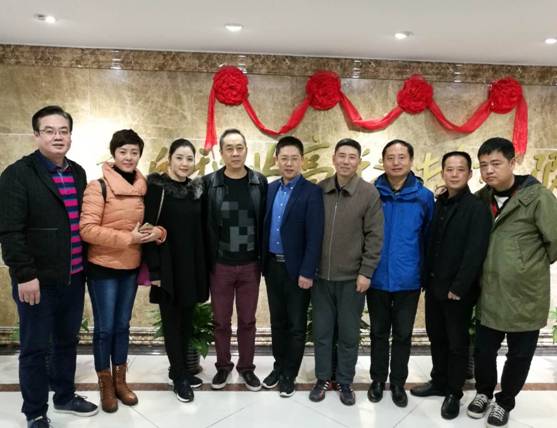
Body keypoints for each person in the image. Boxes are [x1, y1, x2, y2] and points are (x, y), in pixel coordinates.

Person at [0, 105, 98, 427]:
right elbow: (10, 230)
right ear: (36, 135)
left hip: (73, 277)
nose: (58, 137)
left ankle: (64, 396)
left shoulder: (77, 172)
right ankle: (35, 411)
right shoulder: (18, 174)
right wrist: (25, 275)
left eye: (63, 131)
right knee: (35, 348)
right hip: (37, 282)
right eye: (49, 131)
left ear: (70, 136)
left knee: (67, 342)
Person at [466, 137, 557, 428]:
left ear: (512, 162)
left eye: (496, 163)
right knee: (483, 351)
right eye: (483, 165)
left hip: (525, 293)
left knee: (519, 354)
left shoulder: (538, 197)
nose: (489, 171)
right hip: (490, 292)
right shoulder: (481, 199)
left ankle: (504, 401)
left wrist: (524, 266)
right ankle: (483, 392)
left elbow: (554, 242)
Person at [80, 129, 164, 413]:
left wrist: (157, 232)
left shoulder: (144, 188)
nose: (128, 157)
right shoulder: (98, 187)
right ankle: (105, 384)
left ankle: (120, 381)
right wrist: (128, 238)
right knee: (105, 328)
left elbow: (152, 221)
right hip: (102, 267)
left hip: (130, 266)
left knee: (122, 326)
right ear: (113, 154)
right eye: (123, 152)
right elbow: (87, 229)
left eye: (134, 152)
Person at [410, 151, 492, 420]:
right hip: (434, 286)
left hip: (457, 291)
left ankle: (454, 392)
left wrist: (459, 287)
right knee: (436, 336)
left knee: (457, 343)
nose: (454, 174)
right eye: (449, 169)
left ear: (470, 174)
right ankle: (439, 381)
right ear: (443, 172)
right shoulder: (440, 203)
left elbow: (475, 252)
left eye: (460, 169)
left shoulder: (476, 208)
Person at [309, 138, 383, 406]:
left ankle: (344, 381)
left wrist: (366, 272)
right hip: (321, 278)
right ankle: (322, 378)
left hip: (352, 279)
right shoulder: (320, 189)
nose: (346, 161)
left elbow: (375, 236)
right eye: (341, 155)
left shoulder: (368, 193)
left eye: (352, 157)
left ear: (358, 161)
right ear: (334, 158)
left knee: (349, 334)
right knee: (322, 332)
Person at [367, 139, 434, 408]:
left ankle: (397, 382)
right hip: (377, 278)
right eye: (390, 157)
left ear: (411, 161)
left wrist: (424, 273)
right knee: (378, 333)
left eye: (401, 157)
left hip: (409, 279)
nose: (396, 162)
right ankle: (377, 379)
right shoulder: (372, 193)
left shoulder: (424, 197)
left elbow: (429, 238)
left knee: (403, 334)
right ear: (383, 161)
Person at [143, 138, 209, 402]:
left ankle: (178, 370)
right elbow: (147, 230)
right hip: (167, 268)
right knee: (171, 324)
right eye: (179, 157)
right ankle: (179, 377)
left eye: (189, 158)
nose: (184, 163)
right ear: (169, 159)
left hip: (191, 266)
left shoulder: (196, 191)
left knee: (186, 322)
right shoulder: (157, 189)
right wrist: (155, 272)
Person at [202, 129, 268, 391]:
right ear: (221, 152)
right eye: (229, 148)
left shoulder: (259, 182)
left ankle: (246, 368)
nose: (235, 153)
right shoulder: (209, 183)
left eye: (239, 147)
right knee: (220, 321)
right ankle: (222, 366)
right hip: (220, 265)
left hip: (251, 265)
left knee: (247, 321)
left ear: (246, 150)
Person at [261, 136, 324, 397]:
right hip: (272, 267)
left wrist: (307, 272)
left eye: (294, 159)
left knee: (297, 326)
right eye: (284, 158)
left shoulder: (312, 192)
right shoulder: (270, 189)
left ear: (302, 161)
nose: (289, 163)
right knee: (278, 322)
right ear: (276, 160)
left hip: (297, 271)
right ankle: (278, 367)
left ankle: (290, 373)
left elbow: (315, 236)